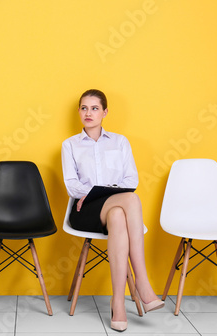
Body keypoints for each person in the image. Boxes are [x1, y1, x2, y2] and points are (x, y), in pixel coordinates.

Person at [61, 89, 164, 332]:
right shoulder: (70, 145)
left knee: (120, 212)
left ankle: (118, 302)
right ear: (79, 111)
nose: (89, 113)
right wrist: (91, 193)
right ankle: (142, 284)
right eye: (84, 108)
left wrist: (107, 192)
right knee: (131, 200)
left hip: (114, 208)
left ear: (105, 112)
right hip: (84, 209)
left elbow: (131, 177)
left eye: (94, 108)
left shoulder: (120, 142)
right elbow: (71, 184)